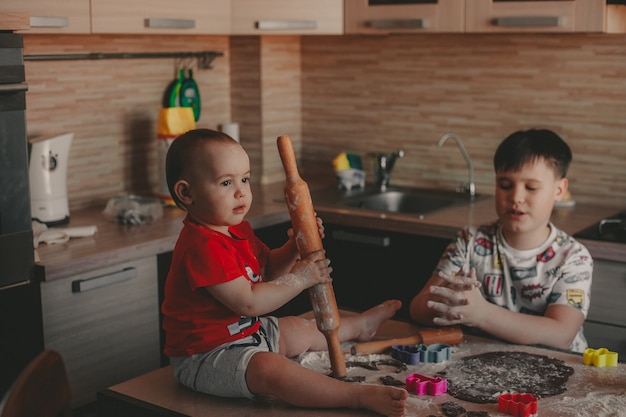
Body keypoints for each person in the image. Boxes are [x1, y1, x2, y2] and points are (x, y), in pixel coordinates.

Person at [161, 128, 408, 417]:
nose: (241, 191)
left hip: (246, 335)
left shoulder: (237, 230)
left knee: (295, 327)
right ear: (186, 193)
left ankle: (360, 326)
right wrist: (301, 279)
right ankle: (354, 396)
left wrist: (294, 246)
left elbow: (268, 271)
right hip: (206, 356)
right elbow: (249, 302)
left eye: (245, 179)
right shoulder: (201, 246)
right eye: (226, 182)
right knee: (272, 370)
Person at [410, 129, 593, 353]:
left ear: (559, 189)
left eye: (531, 187)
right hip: (484, 362)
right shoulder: (470, 242)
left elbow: (561, 335)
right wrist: (451, 301)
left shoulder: (573, 258)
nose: (516, 197)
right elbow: (417, 309)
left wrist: (481, 314)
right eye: (505, 185)